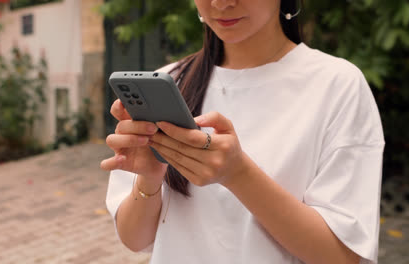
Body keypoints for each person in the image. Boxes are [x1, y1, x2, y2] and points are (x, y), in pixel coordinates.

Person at [101, 0, 385, 263]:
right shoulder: (173, 82)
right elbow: (135, 239)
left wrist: (239, 175)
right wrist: (149, 179)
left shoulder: (337, 86)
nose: (222, 3)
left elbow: (343, 257)